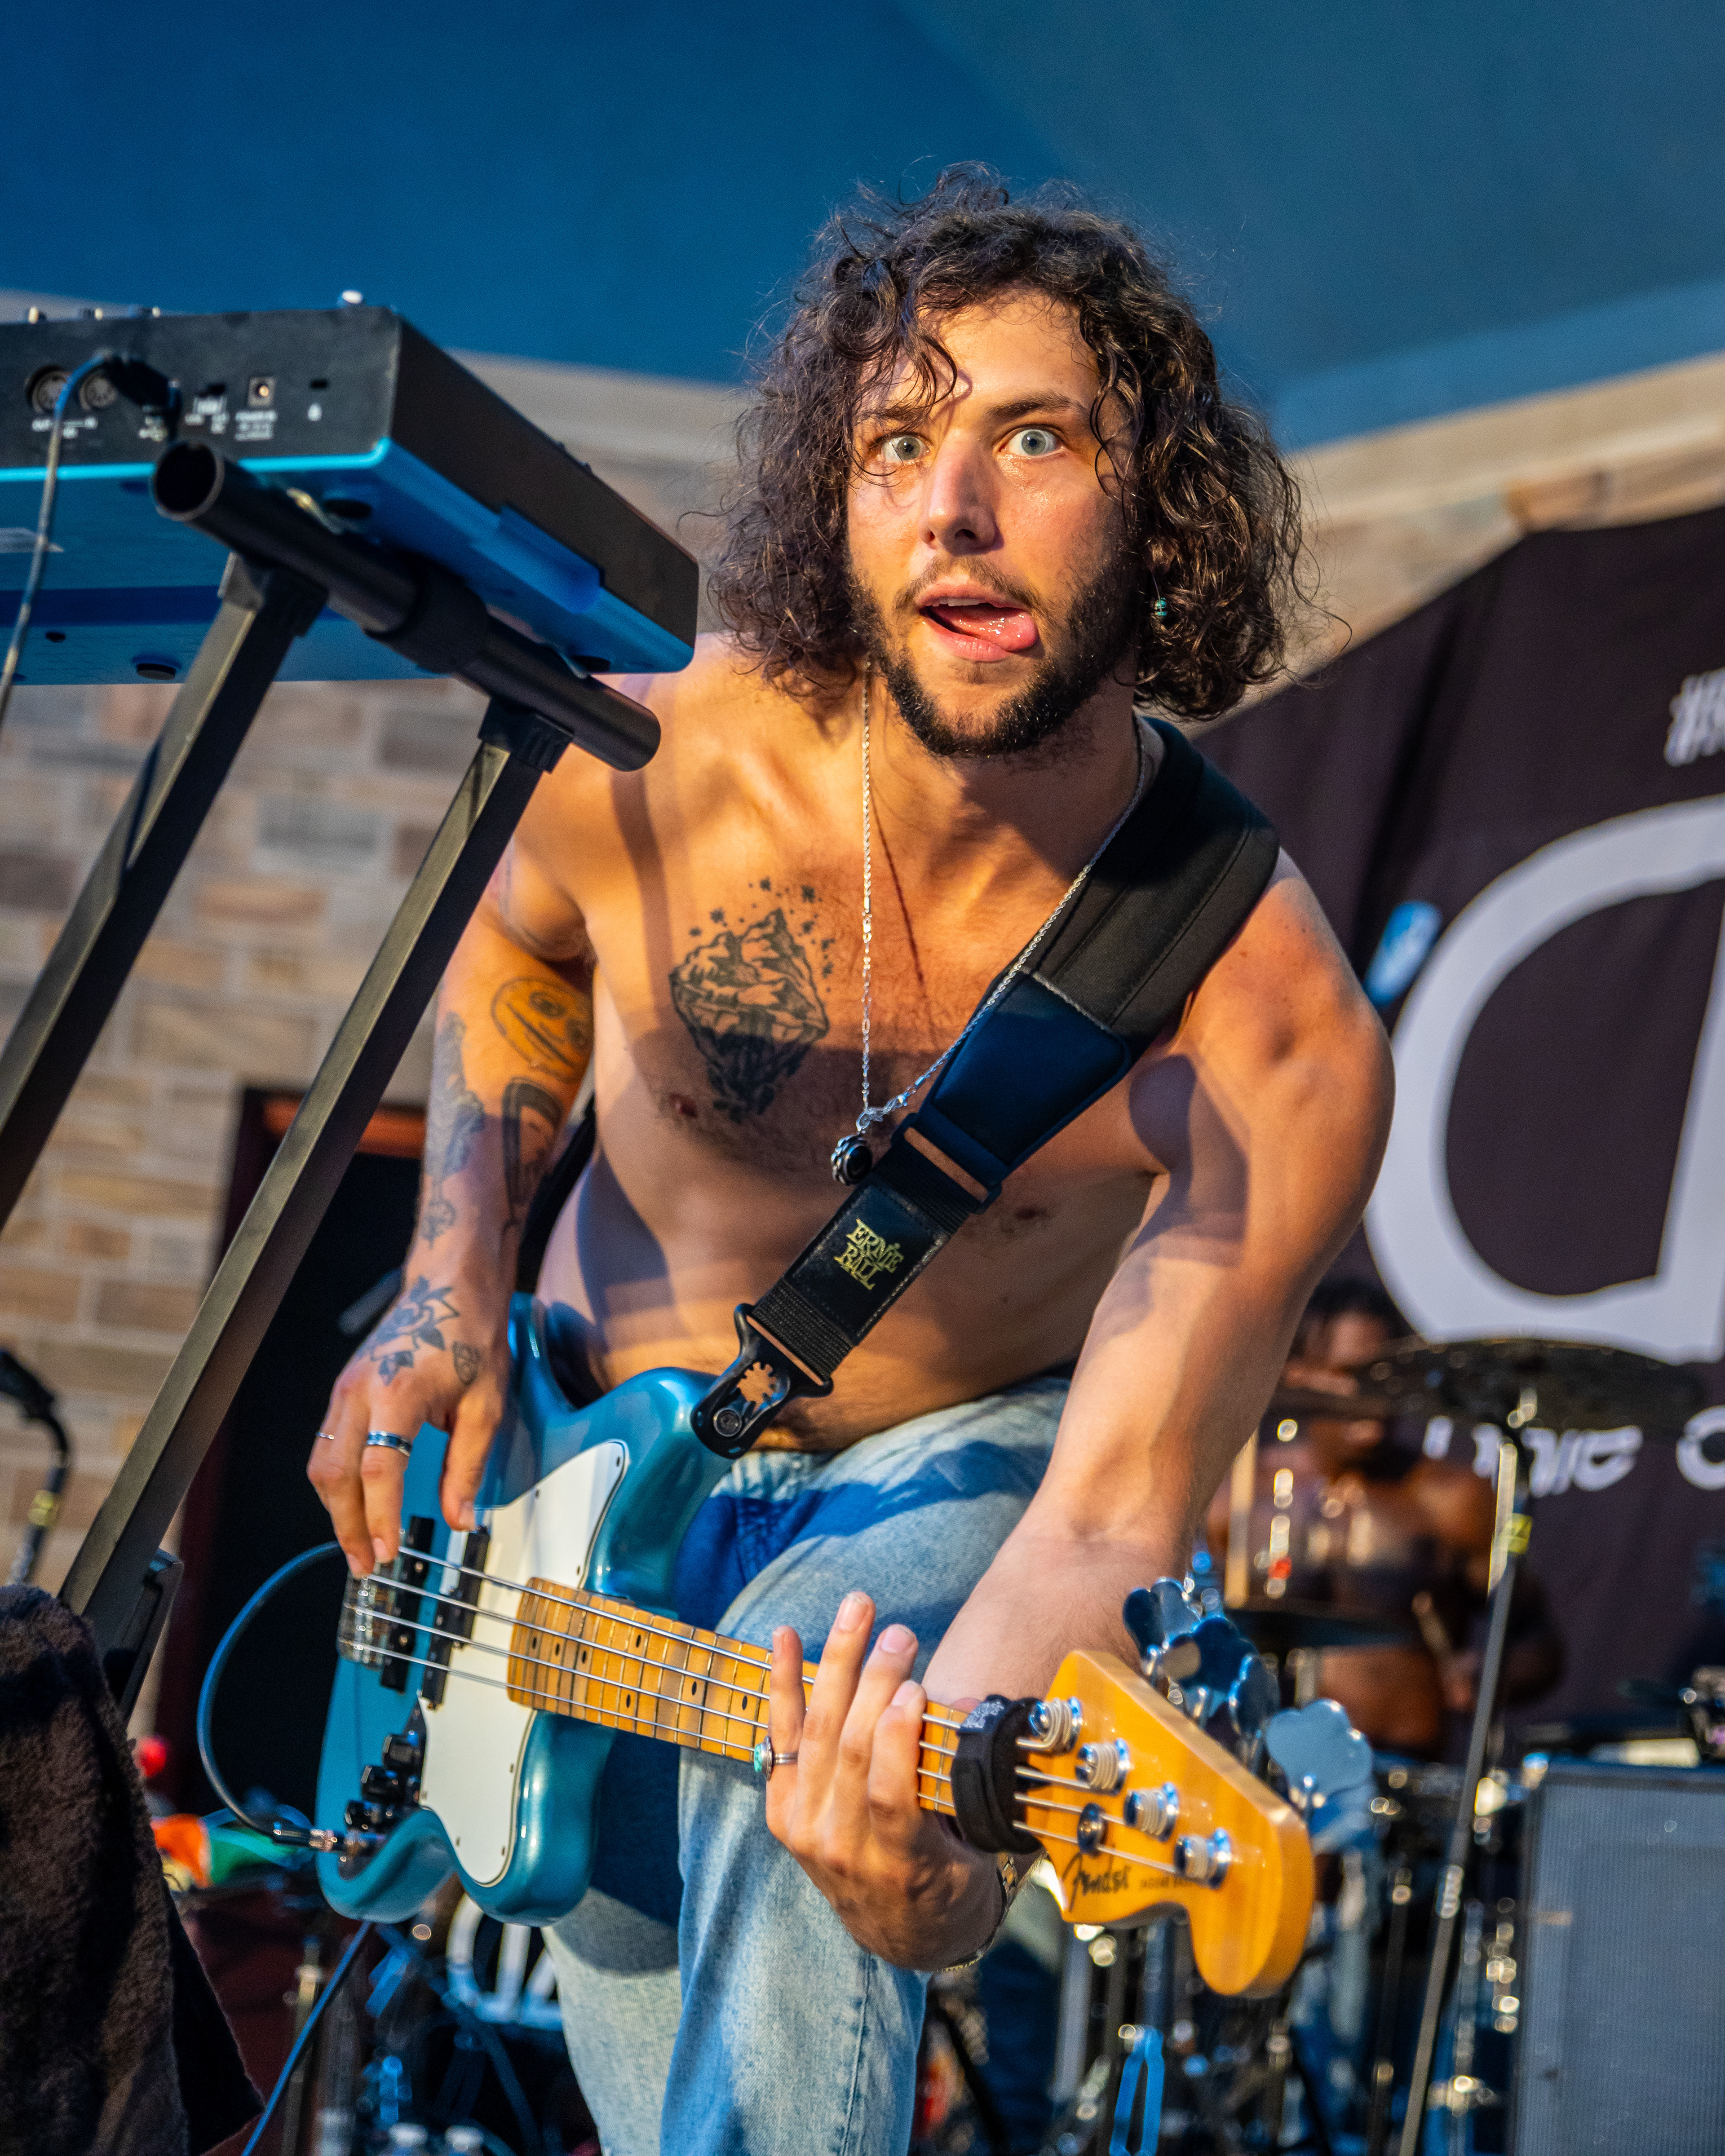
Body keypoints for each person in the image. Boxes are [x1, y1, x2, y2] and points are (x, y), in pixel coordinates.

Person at [308, 170, 1393, 2155]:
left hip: (953, 1469)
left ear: (1161, 513)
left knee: (822, 1692)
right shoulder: (664, 750)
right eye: (897, 443)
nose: (952, 506)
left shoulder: (1267, 1023)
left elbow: (1108, 1518)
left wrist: (945, 1869)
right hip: (566, 1480)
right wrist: (447, 1284)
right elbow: (512, 942)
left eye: (1035, 439)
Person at [1208, 1277, 1561, 1755]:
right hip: (1254, 1773)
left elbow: (1539, 1644)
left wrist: (1487, 1677)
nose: (1374, 1396)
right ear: (1297, 1374)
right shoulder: (1238, 1494)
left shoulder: (1449, 1499)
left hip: (1400, 1777)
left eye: (1387, 1377)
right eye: (1350, 1374)